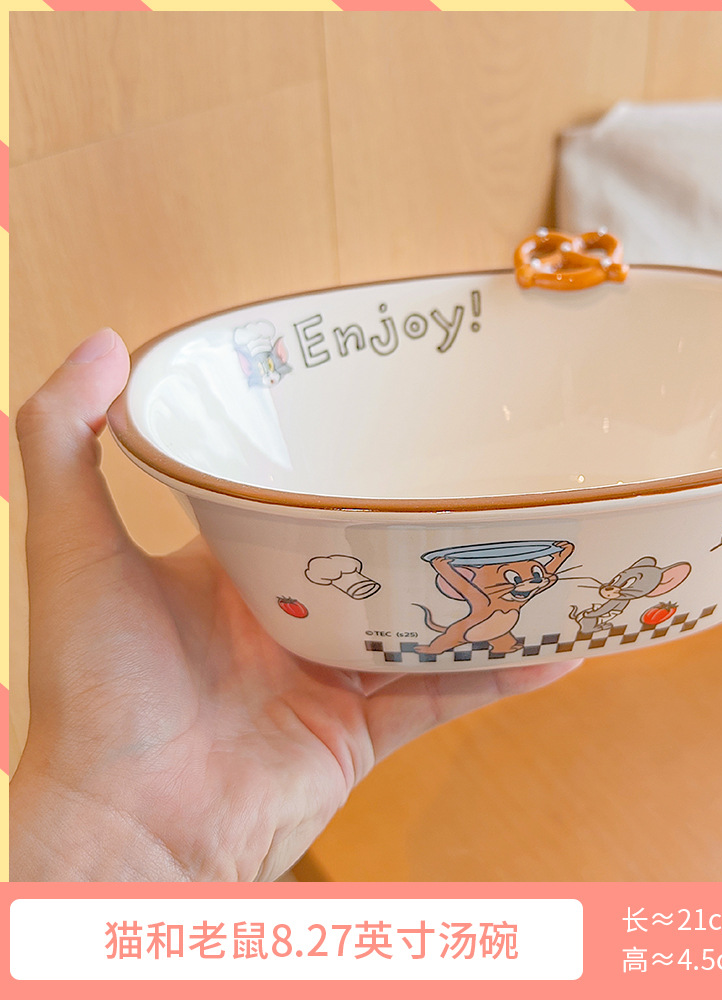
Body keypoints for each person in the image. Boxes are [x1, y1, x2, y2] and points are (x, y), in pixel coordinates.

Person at [10, 328, 581, 881]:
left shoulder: (521, 585)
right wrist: (119, 821)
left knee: (487, 637)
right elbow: (465, 571)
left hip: (469, 635)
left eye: (535, 577)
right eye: (519, 574)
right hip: (433, 632)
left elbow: (554, 560)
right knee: (451, 636)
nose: (529, 582)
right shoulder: (480, 594)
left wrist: (123, 829)